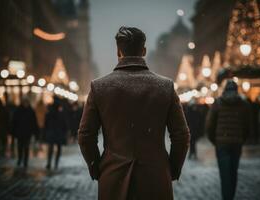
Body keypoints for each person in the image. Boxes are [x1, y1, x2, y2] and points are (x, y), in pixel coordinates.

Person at [78, 26, 190, 200]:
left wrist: (97, 167)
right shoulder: (165, 87)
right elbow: (181, 135)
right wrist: (171, 169)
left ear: (118, 51)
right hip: (155, 178)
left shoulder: (99, 87)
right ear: (144, 50)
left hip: (113, 177)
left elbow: (86, 135)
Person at [205, 80, 251, 200]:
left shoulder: (218, 103)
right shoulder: (243, 104)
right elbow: (247, 125)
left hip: (221, 144)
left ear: (225, 90)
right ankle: (231, 196)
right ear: (236, 90)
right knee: (233, 172)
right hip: (236, 143)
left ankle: (227, 197)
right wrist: (241, 139)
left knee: (224, 175)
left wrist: (215, 140)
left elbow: (209, 125)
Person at [12, 98, 39, 168]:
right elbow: (14, 122)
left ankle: (25, 161)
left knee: (26, 147)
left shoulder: (31, 111)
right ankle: (20, 159)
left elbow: (34, 123)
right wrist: (13, 132)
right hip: (20, 132)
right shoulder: (18, 111)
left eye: (26, 102)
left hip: (27, 133)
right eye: (24, 102)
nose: (25, 104)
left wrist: (36, 133)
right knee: (20, 147)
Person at [45, 96, 68, 170]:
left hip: (51, 132)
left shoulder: (49, 111)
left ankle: (49, 163)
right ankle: (56, 163)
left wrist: (46, 131)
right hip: (58, 132)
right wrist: (65, 132)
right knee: (58, 148)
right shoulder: (60, 112)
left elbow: (46, 123)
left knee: (51, 148)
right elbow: (64, 123)